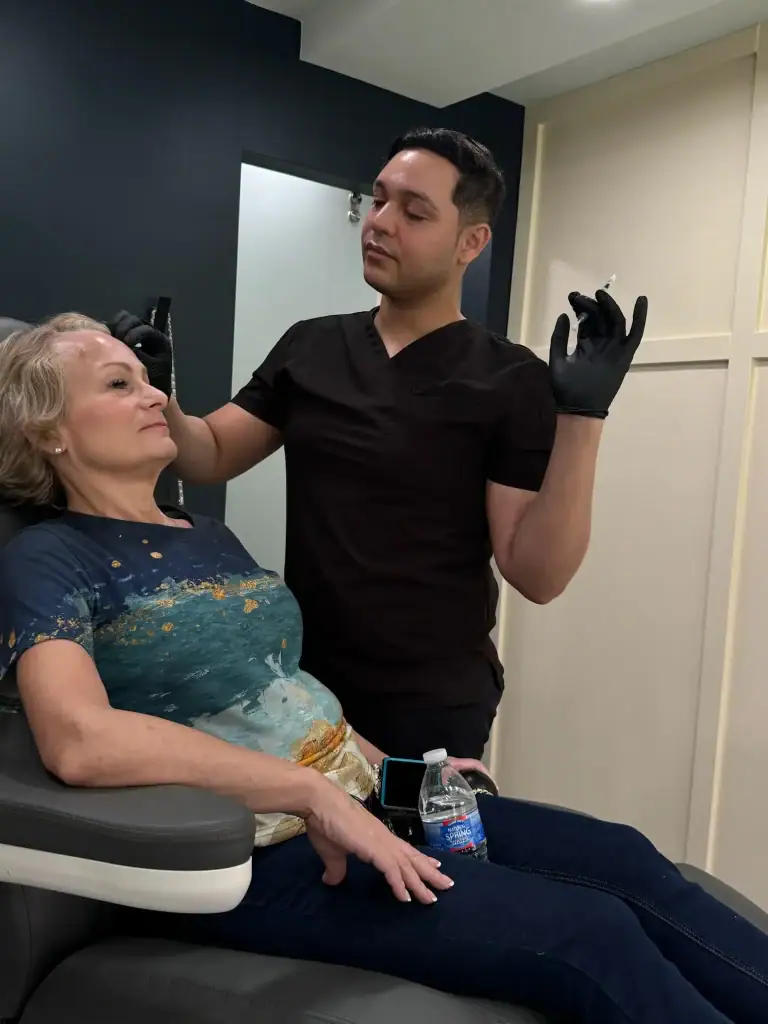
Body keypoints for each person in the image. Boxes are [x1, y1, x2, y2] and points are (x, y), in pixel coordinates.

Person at [0, 314, 765, 1024]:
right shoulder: (49, 559)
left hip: (367, 796)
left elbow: (275, 692)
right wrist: (307, 792)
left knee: (620, 858)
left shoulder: (207, 535)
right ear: (50, 431)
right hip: (256, 852)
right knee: (584, 931)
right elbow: (80, 740)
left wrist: (396, 769)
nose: (154, 397)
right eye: (119, 384)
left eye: (144, 377)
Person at [108, 127, 648, 760]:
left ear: (471, 241)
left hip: (430, 704)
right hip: (302, 684)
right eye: (378, 200)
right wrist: (153, 391)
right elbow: (209, 454)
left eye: (414, 212)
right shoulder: (310, 346)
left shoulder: (508, 377)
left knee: (408, 861)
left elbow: (538, 575)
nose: (381, 223)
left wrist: (582, 415)